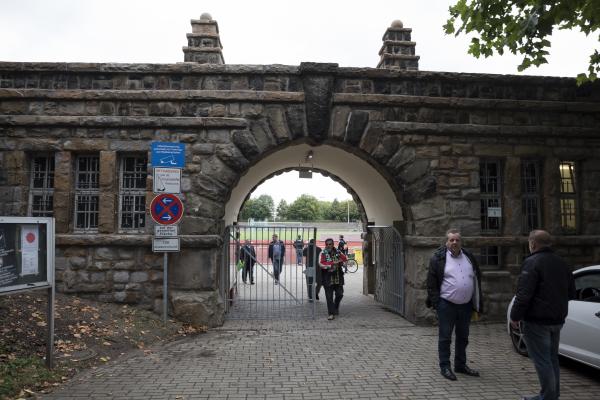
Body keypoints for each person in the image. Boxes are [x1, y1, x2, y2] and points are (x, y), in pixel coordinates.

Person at [510, 230, 575, 400]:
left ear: (533, 244)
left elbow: (524, 294)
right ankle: (552, 395)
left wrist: (515, 316)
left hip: (537, 321)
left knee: (542, 360)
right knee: (552, 359)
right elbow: (571, 292)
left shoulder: (532, 262)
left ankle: (548, 397)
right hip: (557, 319)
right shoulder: (562, 262)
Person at [426, 228, 483, 381]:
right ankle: (445, 366)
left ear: (461, 242)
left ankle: (460, 365)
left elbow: (477, 278)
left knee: (463, 337)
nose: (454, 242)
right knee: (445, 337)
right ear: (446, 242)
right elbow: (431, 284)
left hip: (465, 305)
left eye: (457, 240)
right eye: (451, 240)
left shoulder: (469, 257)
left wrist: (476, 301)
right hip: (447, 305)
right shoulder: (438, 259)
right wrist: (438, 304)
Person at [319, 238, 348, 320]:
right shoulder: (323, 253)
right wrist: (331, 264)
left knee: (340, 294)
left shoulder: (338, 252)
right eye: (327, 244)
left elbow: (345, 259)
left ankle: (335, 306)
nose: (328, 246)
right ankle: (331, 313)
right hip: (327, 278)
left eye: (330, 244)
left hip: (338, 278)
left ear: (333, 244)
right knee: (329, 297)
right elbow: (321, 263)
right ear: (325, 245)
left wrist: (343, 263)